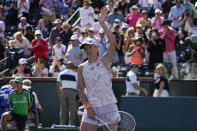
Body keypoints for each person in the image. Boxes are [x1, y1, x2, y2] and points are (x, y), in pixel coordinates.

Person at [78, 7, 120, 131]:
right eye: (85, 48)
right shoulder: (81, 68)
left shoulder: (105, 60)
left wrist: (102, 23)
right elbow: (81, 90)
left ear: (97, 48)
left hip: (108, 106)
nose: (88, 50)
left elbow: (112, 43)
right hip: (92, 107)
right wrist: (88, 107)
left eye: (90, 47)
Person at [56, 61, 78, 125]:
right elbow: (79, 84)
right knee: (72, 109)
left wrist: (60, 93)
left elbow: (58, 84)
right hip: (72, 92)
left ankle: (61, 124)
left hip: (63, 91)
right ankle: (71, 125)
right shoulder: (75, 74)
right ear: (73, 67)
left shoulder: (61, 73)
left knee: (63, 110)